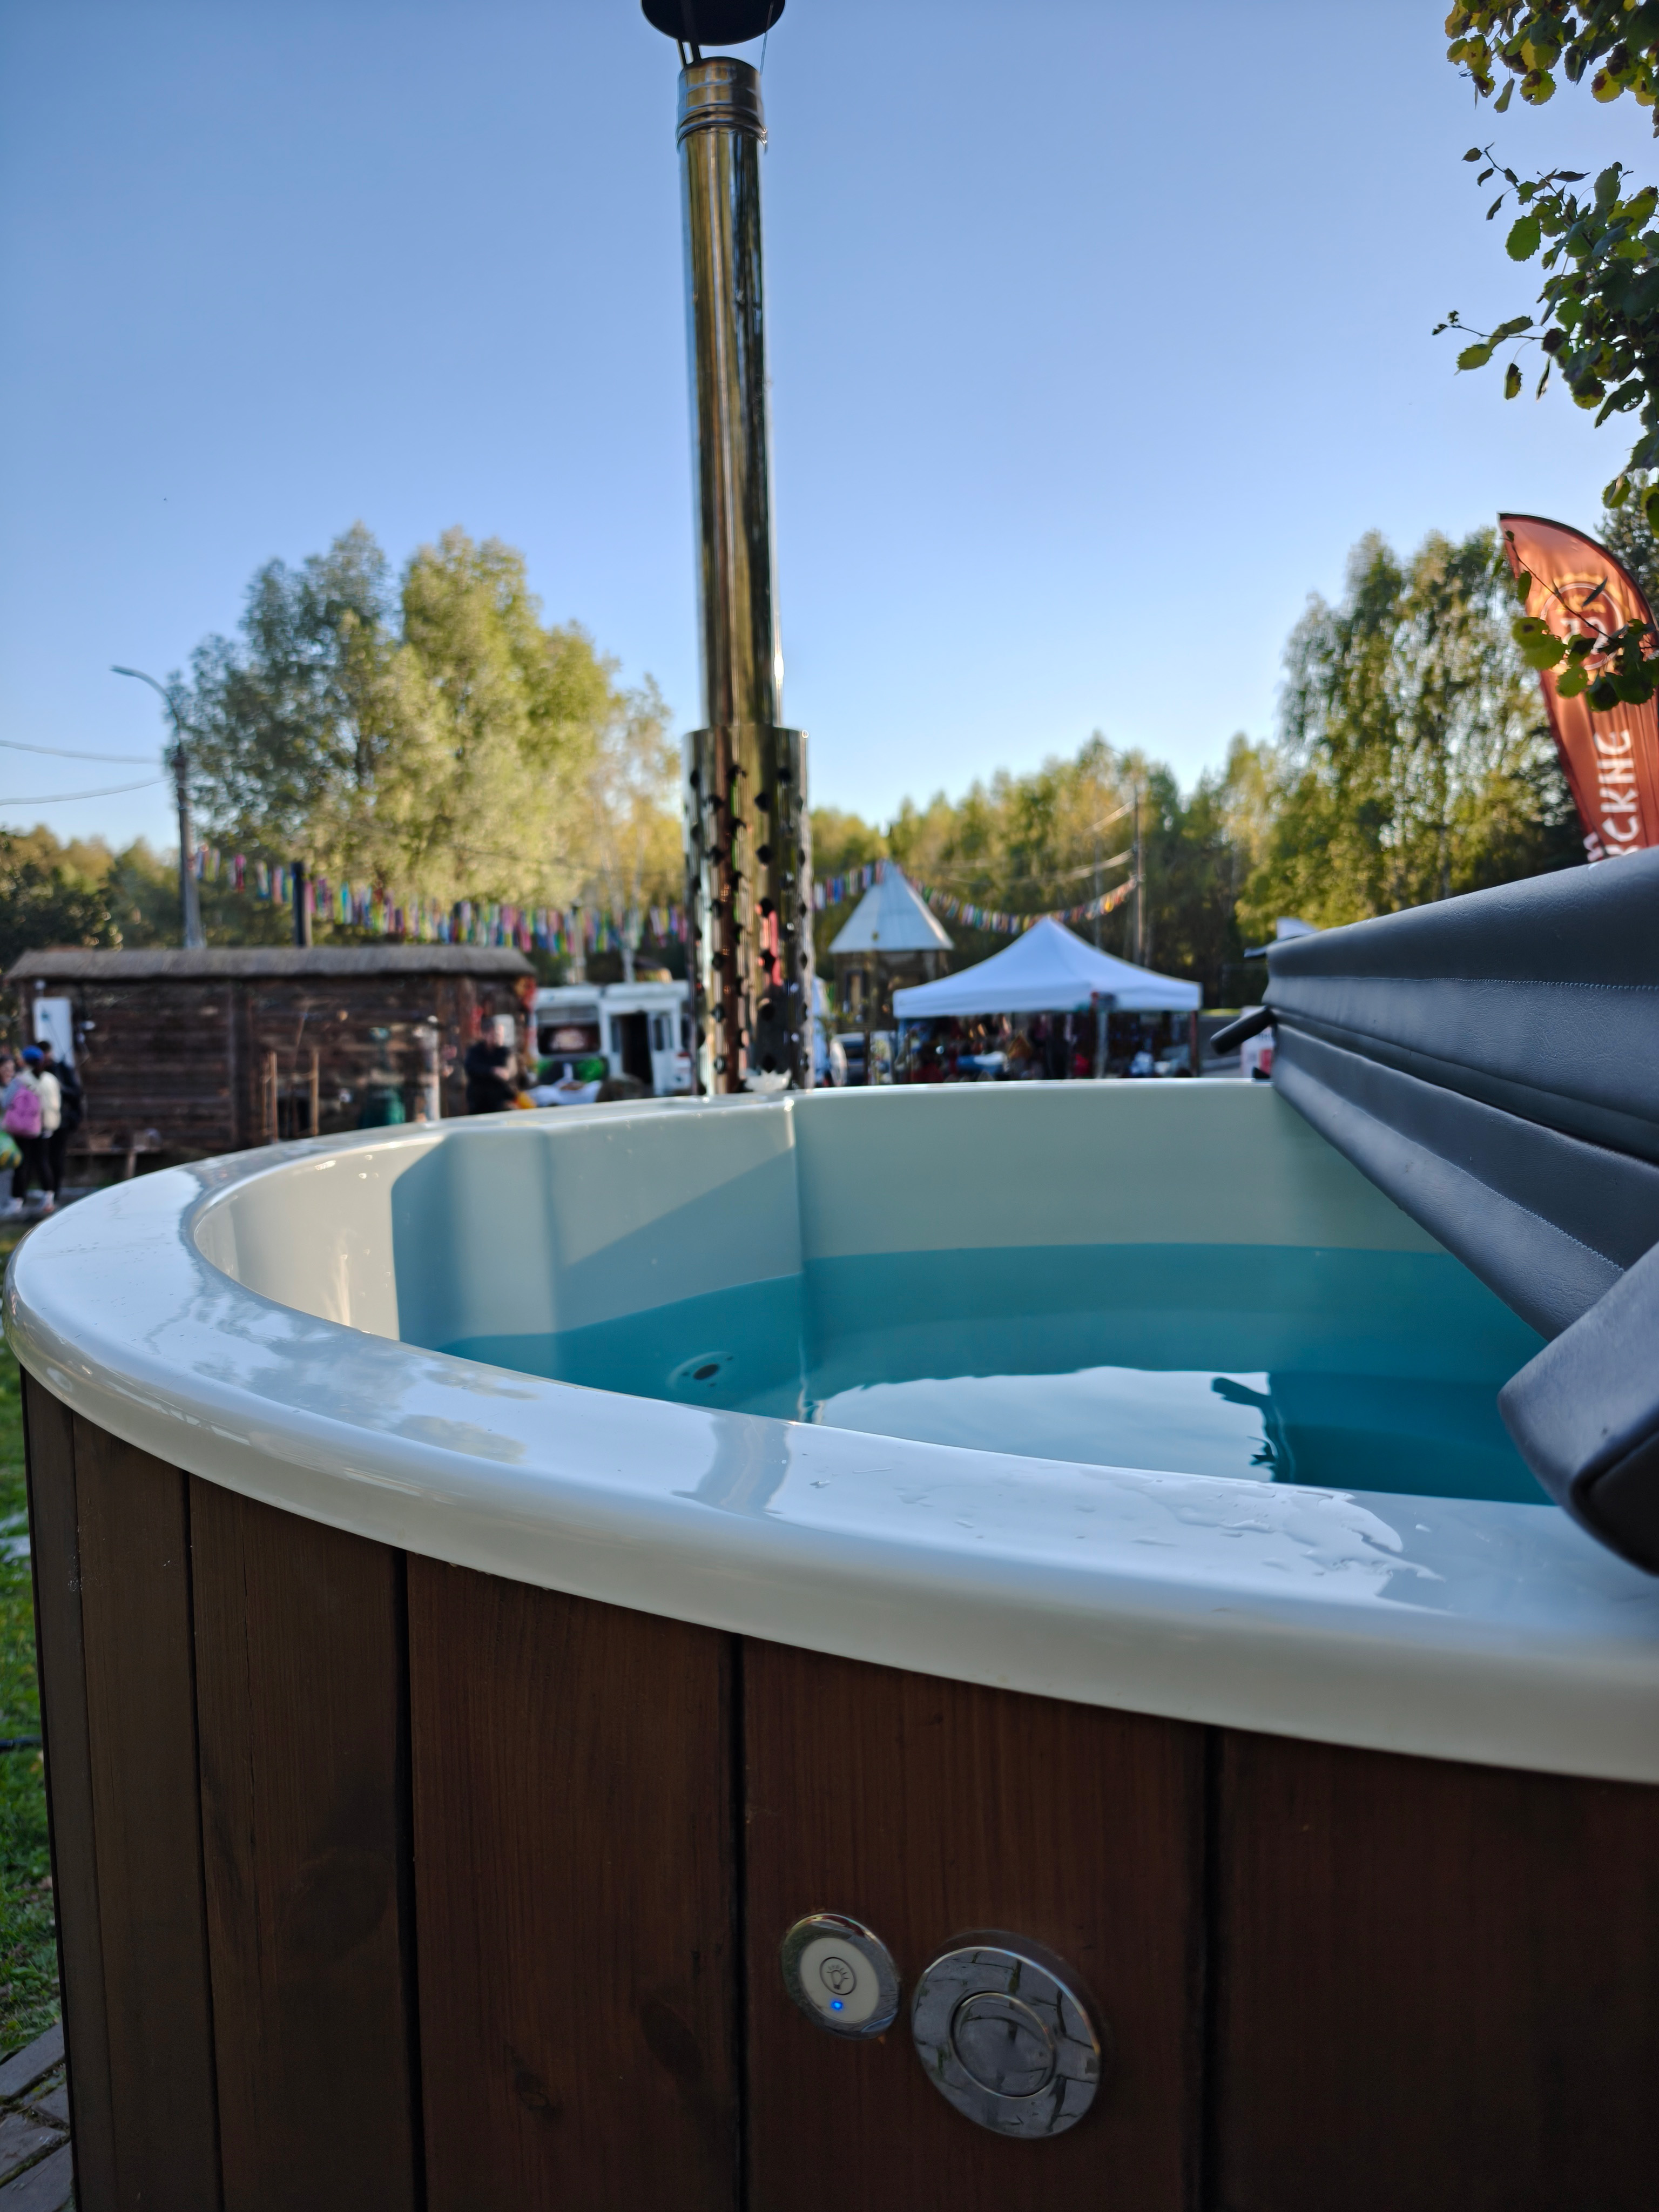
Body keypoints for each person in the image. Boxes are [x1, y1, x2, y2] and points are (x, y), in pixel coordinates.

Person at [2, 1047, 58, 1209]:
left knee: (22, 1164)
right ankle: (49, 1198)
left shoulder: (20, 1080)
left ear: (25, 1061)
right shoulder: (51, 1079)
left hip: (24, 1129)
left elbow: (6, 1102)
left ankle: (17, 1201)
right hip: (46, 1128)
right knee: (43, 1162)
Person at [38, 1041, 82, 1199]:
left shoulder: (62, 1069)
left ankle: (55, 1191)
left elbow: (76, 1093)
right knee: (43, 1159)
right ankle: (47, 1192)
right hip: (39, 1124)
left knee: (56, 1158)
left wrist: (61, 1089)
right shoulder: (36, 1072)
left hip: (61, 1122)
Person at [463, 1032, 516, 1114]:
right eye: (493, 1035)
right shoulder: (475, 1051)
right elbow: (471, 1068)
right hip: (479, 1099)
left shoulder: (505, 1051)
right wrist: (492, 1071)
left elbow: (512, 1070)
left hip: (499, 1099)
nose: (496, 1038)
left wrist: (507, 1073)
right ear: (486, 1035)